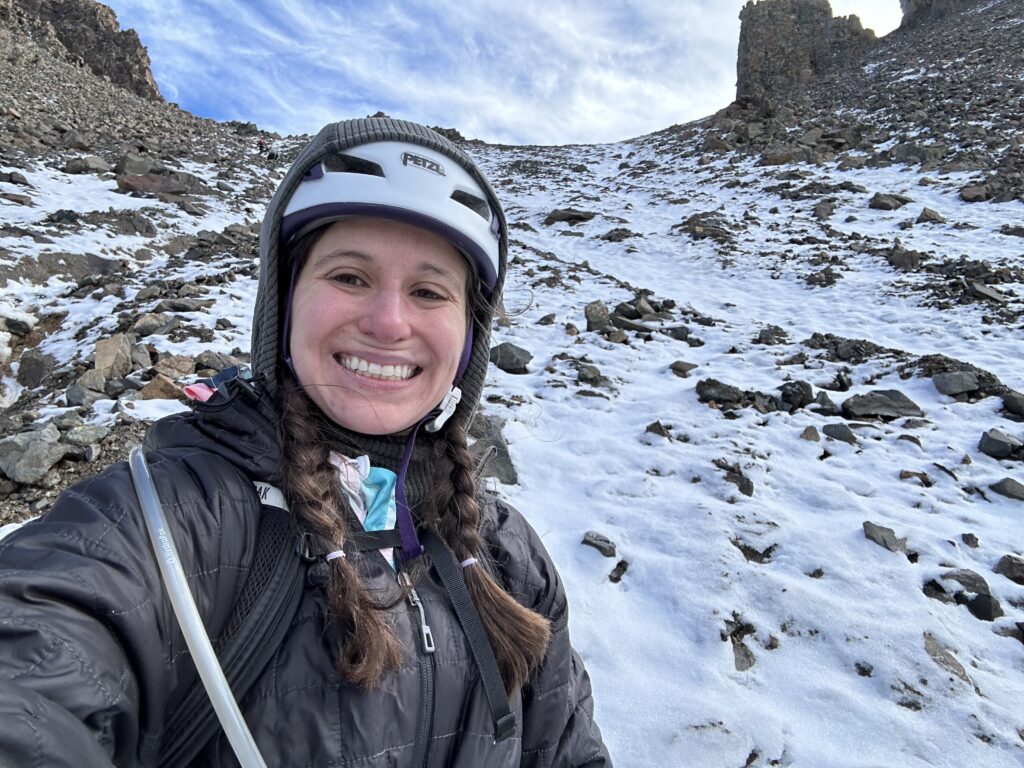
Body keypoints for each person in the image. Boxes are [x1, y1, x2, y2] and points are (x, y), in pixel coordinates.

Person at [0, 117, 611, 767]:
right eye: (349, 276)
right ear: (285, 301)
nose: (387, 322)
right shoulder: (165, 525)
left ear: (468, 339)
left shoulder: (509, 558)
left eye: (430, 291)